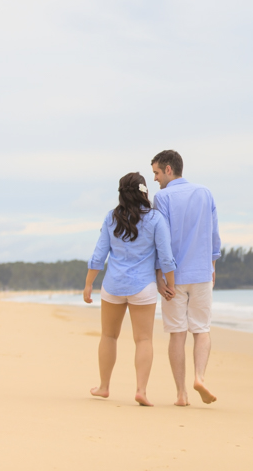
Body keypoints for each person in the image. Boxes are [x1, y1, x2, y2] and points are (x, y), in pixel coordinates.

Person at [83, 172, 176, 407]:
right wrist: (171, 284)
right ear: (144, 192)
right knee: (143, 339)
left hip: (113, 285)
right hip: (142, 287)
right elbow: (166, 257)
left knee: (108, 336)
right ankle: (141, 390)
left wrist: (88, 283)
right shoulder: (155, 219)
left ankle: (104, 386)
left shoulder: (111, 218)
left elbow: (99, 254)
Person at [151, 150, 221, 406]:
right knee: (202, 330)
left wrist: (159, 275)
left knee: (177, 334)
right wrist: (212, 265)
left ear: (169, 169)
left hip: (174, 276)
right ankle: (200, 376)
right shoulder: (205, 192)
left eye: (157, 172)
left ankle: (181, 393)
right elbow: (214, 233)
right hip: (202, 273)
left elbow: (162, 239)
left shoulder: (163, 197)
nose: (156, 179)